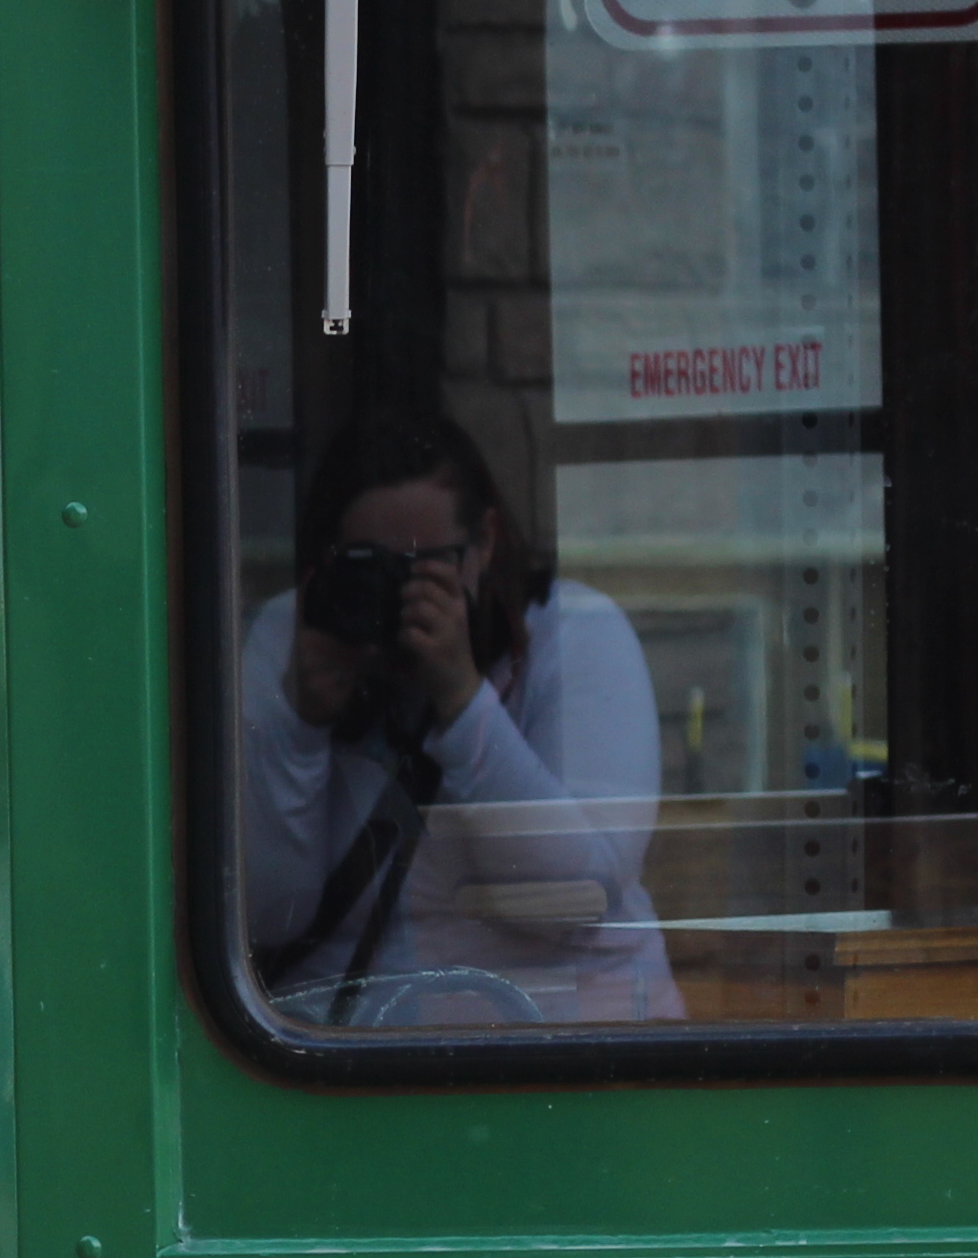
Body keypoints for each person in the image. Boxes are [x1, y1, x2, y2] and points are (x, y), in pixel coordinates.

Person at [236, 402, 670, 1025]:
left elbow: (575, 895)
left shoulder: (573, 634)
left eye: (423, 565)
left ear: (486, 541)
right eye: (368, 566)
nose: (397, 593)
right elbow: (268, 911)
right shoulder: (294, 633)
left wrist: (464, 704)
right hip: (343, 1050)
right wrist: (300, 726)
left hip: (563, 1034)